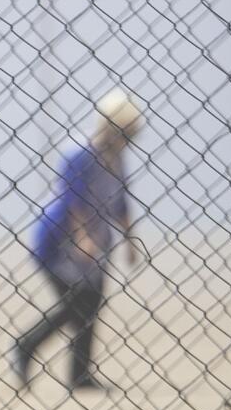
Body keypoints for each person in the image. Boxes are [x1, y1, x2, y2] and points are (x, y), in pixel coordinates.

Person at [13, 89, 142, 393]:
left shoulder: (117, 160)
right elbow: (73, 199)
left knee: (92, 304)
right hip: (59, 242)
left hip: (97, 242)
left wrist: (130, 241)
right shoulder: (80, 155)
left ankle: (80, 373)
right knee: (74, 305)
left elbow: (120, 203)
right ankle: (25, 346)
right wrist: (83, 237)